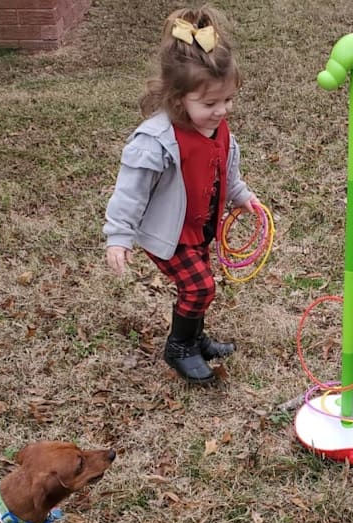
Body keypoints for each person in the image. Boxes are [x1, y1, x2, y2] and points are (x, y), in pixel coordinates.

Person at [103, 5, 259, 384]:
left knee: (201, 285)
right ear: (177, 99)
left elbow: (224, 171)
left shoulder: (220, 131)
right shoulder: (155, 141)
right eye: (209, 104)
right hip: (168, 235)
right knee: (200, 285)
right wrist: (119, 236)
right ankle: (179, 347)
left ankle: (195, 337)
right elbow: (130, 190)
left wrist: (241, 195)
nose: (222, 110)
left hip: (198, 228)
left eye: (228, 99)